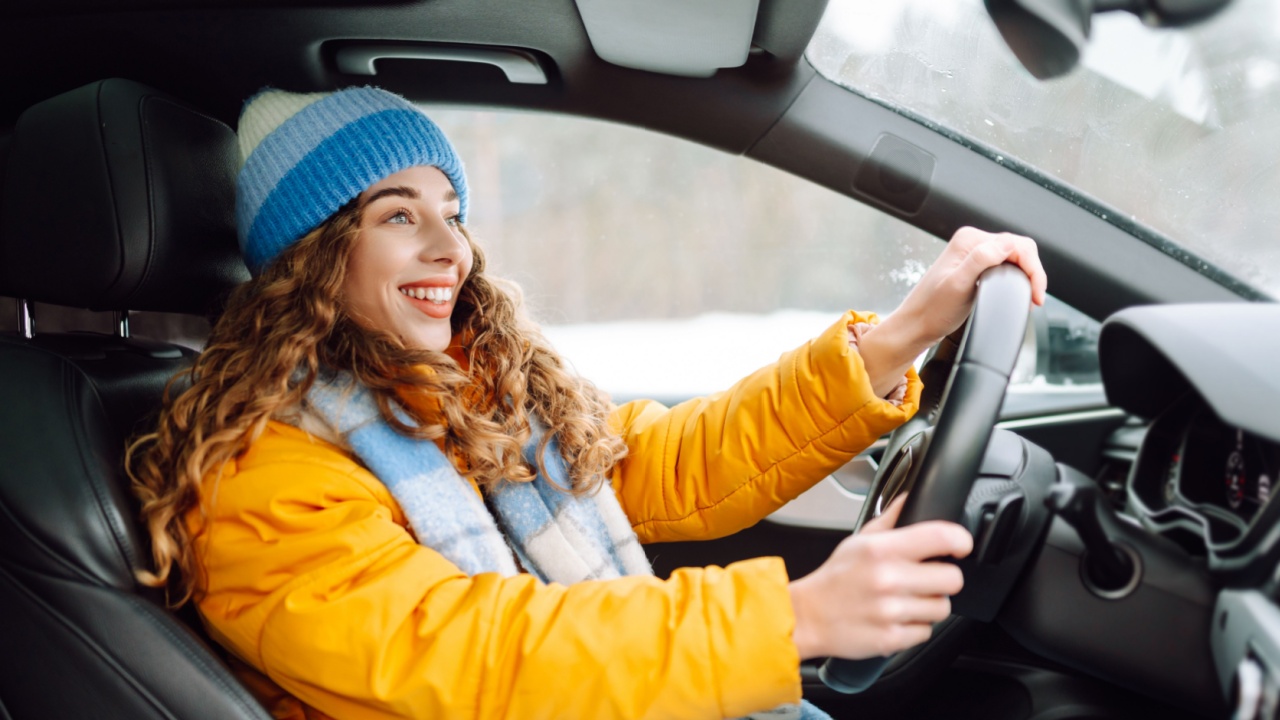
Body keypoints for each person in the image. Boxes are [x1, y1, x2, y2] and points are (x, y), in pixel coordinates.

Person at [128, 86, 1048, 720]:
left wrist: (899, 337)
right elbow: (479, 660)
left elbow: (661, 462)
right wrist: (794, 618)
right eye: (398, 214)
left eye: (453, 209)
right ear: (312, 257)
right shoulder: (260, 473)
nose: (453, 248)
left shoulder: (465, 399)